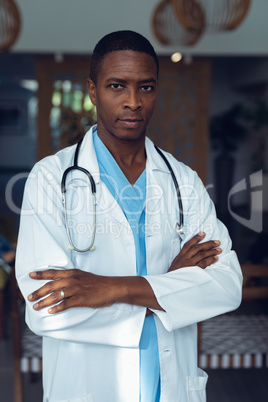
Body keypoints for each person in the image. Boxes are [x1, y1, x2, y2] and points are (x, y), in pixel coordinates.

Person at [16, 30, 242, 402]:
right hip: (88, 386)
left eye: (146, 88)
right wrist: (168, 288)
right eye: (117, 86)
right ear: (93, 91)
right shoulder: (50, 179)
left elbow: (226, 286)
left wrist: (112, 288)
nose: (133, 102)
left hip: (169, 385)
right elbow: (48, 309)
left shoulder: (183, 181)